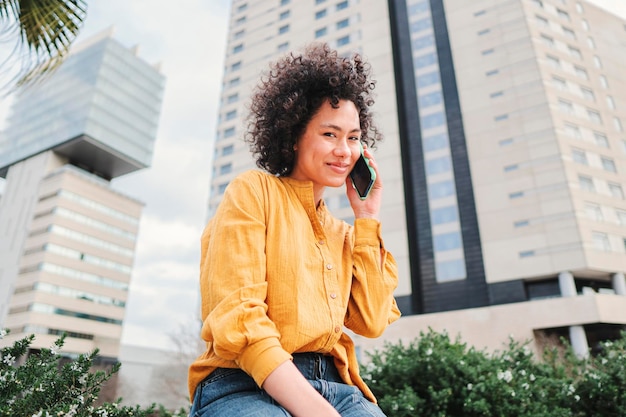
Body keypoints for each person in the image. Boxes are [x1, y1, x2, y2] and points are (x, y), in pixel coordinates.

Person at [188, 43, 401, 417]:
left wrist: (367, 218)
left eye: (353, 137)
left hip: (336, 387)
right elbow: (239, 317)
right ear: (292, 135)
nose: (345, 150)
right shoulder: (252, 191)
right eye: (330, 134)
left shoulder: (343, 233)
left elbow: (370, 320)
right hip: (242, 383)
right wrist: (315, 411)